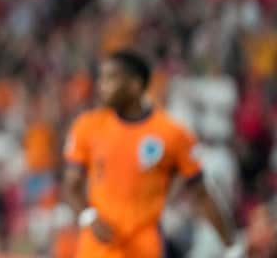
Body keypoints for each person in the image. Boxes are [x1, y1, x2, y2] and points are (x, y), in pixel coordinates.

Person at [62, 50, 244, 258]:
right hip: (97, 247)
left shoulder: (172, 135)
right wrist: (88, 216)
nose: (101, 85)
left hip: (145, 248)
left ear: (135, 85)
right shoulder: (87, 126)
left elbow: (201, 194)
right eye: (101, 77)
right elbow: (72, 185)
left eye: (111, 78)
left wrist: (231, 245)